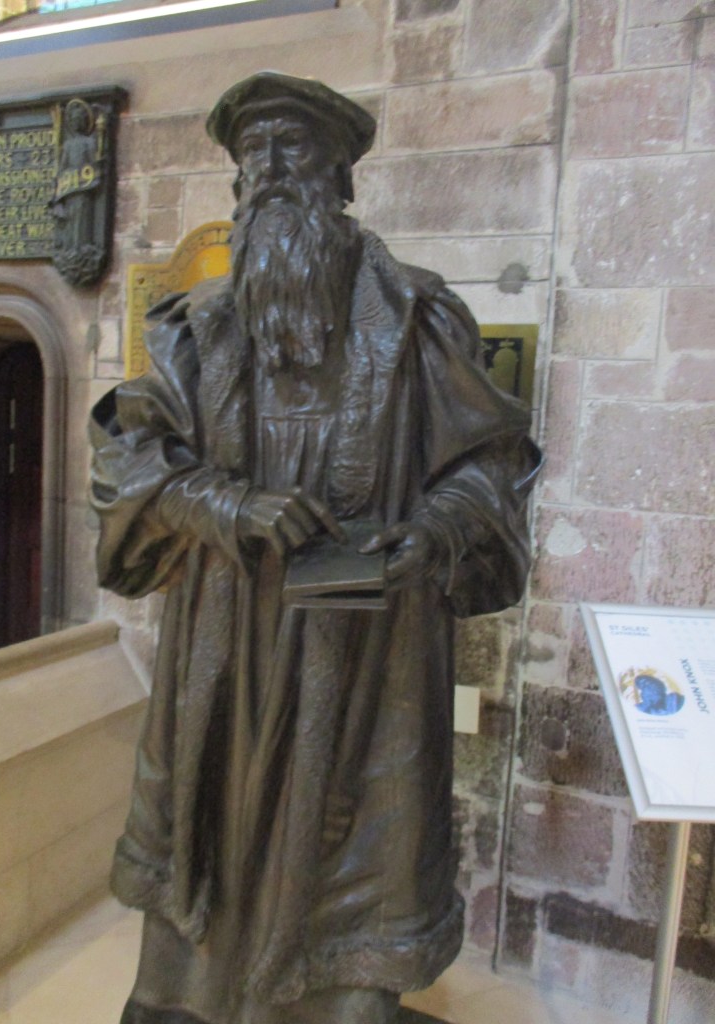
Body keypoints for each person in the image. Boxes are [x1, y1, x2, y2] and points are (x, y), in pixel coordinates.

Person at [90, 72, 542, 1024]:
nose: (268, 170)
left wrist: (434, 533)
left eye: (290, 148)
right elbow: (126, 458)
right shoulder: (196, 329)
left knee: (349, 836)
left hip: (366, 642)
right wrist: (223, 504)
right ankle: (192, 1001)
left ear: (339, 175)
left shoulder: (418, 322)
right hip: (225, 634)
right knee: (213, 822)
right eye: (250, 155)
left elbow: (492, 464)